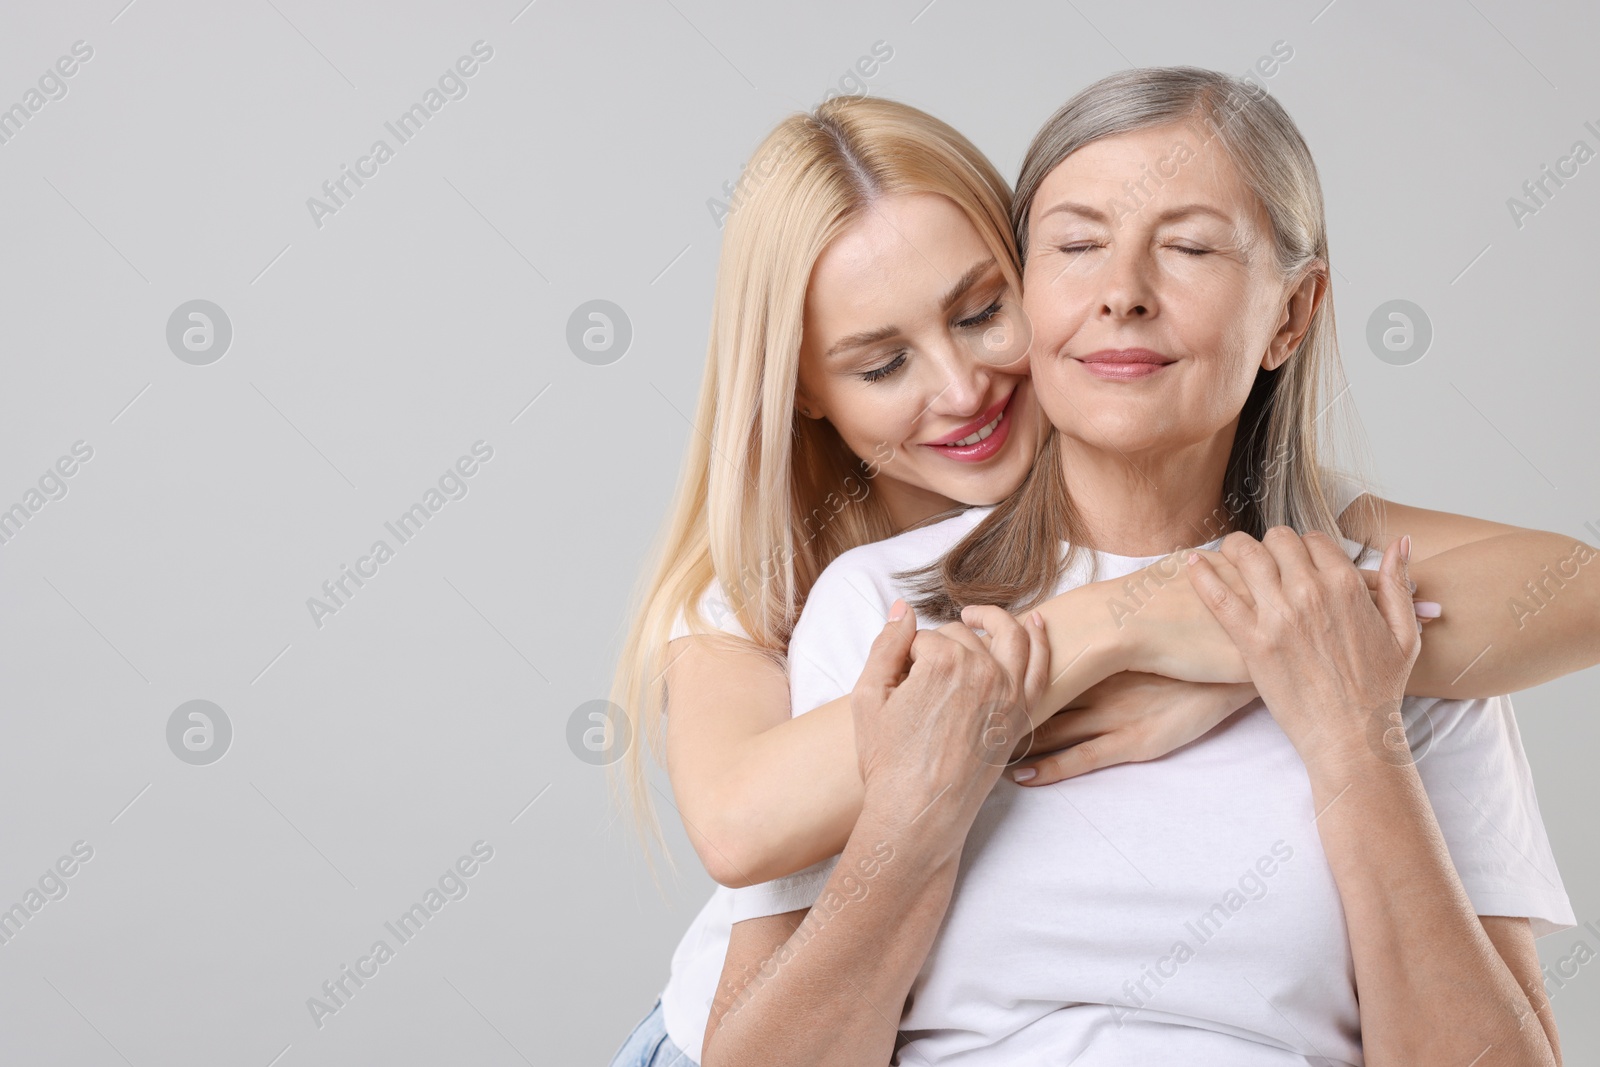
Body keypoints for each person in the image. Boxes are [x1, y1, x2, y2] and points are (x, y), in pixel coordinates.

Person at [608, 88, 1598, 1065]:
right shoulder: (825, 594)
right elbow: (739, 826)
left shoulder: (1361, 615)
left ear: (1289, 315)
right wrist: (1111, 631)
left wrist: (1307, 695)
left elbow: (1564, 587)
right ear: (805, 395)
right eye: (1079, 245)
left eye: (979, 311)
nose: (959, 388)